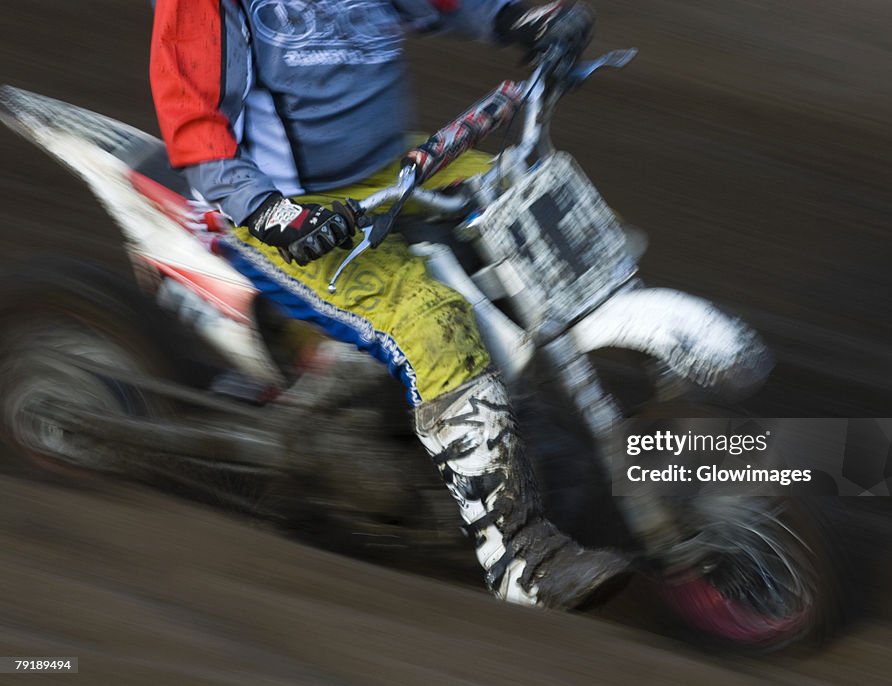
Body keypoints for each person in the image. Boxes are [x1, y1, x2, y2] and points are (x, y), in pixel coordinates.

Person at [149, 0, 631, 609]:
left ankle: (591, 426)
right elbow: (194, 124)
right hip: (283, 211)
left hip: (392, 171)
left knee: (538, 205)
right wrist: (272, 213)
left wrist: (521, 16)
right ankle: (520, 556)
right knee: (433, 321)